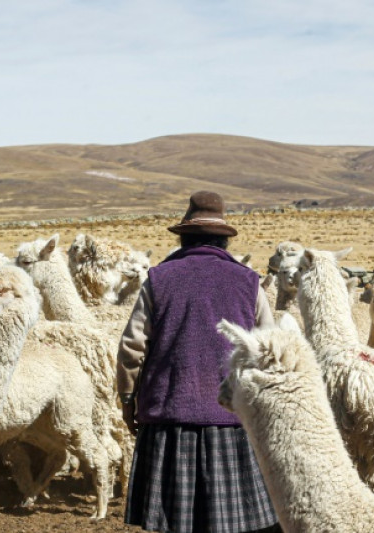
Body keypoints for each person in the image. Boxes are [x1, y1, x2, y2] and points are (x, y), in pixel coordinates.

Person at [117, 191, 280, 533]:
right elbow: (270, 347)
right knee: (234, 524)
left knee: (175, 522)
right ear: (223, 239)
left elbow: (133, 347)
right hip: (234, 418)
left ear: (184, 236)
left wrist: (128, 400)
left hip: (169, 419)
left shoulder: (159, 279)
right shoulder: (249, 282)